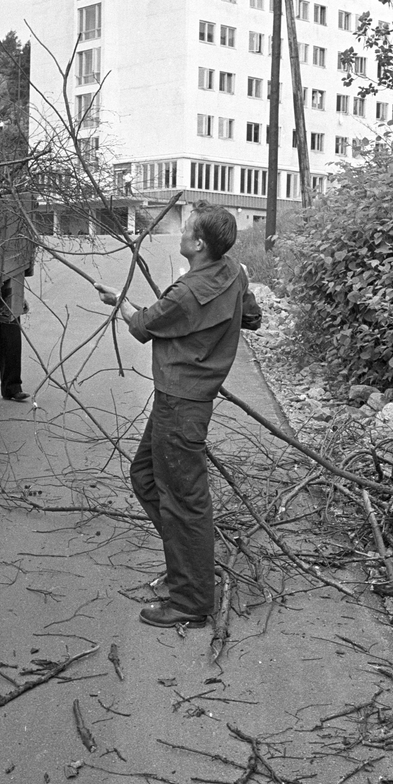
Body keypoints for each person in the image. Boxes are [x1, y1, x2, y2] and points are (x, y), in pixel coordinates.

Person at [95, 204, 261, 630]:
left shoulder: (186, 294)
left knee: (185, 501)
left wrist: (120, 302)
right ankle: (186, 570)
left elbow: (143, 324)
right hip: (184, 400)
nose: (181, 234)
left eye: (186, 230)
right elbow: (253, 318)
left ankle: (191, 601)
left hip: (180, 403)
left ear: (199, 244)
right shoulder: (235, 272)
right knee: (146, 478)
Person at [0, 283, 29, 403]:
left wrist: (20, 297)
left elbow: (15, 273)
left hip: (8, 293)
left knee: (12, 338)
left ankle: (12, 387)